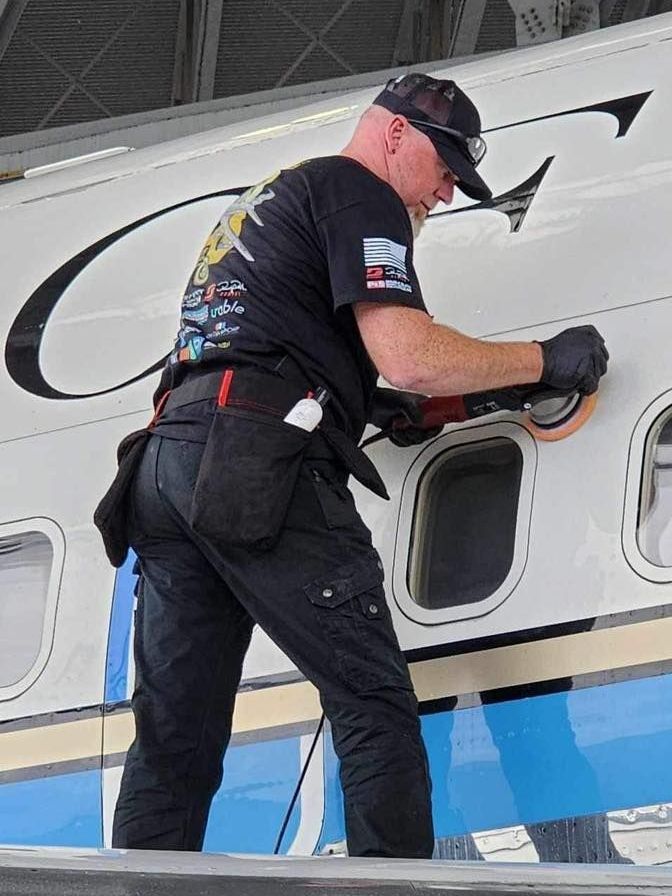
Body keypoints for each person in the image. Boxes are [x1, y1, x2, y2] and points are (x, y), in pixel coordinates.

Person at [106, 73, 608, 857]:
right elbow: (407, 356)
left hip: (165, 468)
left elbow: (283, 353)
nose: (445, 194)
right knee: (372, 703)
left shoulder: (273, 201)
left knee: (175, 741)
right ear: (396, 133)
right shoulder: (357, 191)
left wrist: (393, 404)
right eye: (444, 168)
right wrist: (542, 360)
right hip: (255, 463)